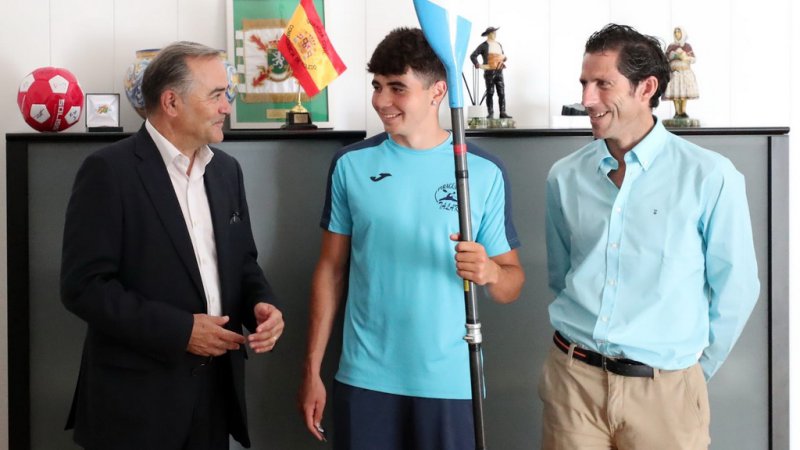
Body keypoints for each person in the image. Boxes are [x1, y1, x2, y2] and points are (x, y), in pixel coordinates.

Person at [298, 27, 525, 450]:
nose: (381, 100)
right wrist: (312, 369)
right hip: (365, 378)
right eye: (377, 86)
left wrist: (491, 272)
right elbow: (330, 270)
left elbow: (511, 285)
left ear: (438, 91)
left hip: (451, 383)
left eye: (397, 88)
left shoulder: (483, 171)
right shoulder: (350, 164)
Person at [541, 24, 759, 449]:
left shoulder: (709, 176)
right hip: (573, 384)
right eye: (584, 83)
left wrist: (689, 374)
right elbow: (561, 274)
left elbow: (737, 288)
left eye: (603, 84)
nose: (587, 99)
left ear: (647, 88)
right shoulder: (563, 176)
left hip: (667, 394)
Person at [60, 41, 284, 450]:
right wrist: (181, 331)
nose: (226, 107)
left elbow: (243, 263)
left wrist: (262, 303)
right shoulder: (107, 171)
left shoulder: (227, 171)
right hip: (134, 406)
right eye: (216, 95)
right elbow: (83, 288)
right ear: (171, 102)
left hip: (215, 397)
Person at [470, 26, 511, 119]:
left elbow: (502, 56)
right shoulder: (483, 45)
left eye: (495, 32)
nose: (495, 34)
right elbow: (473, 55)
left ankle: (502, 112)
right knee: (490, 92)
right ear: (488, 34)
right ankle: (490, 112)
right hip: (489, 73)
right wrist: (477, 64)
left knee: (501, 92)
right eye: (493, 32)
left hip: (499, 71)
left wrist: (504, 58)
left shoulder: (499, 44)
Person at [663, 26, 699, 118]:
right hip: (674, 72)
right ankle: (677, 111)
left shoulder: (687, 46)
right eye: (675, 32)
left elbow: (693, 58)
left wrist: (685, 57)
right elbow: (665, 58)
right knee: (675, 91)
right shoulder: (671, 46)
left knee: (683, 91)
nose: (677, 34)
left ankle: (683, 111)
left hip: (684, 72)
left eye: (678, 32)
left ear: (682, 33)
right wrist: (673, 56)